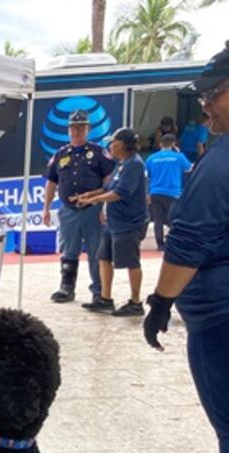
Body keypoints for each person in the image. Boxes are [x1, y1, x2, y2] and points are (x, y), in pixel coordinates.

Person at [143, 41, 229, 453]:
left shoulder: (221, 162)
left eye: (212, 95)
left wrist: (159, 301)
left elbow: (190, 241)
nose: (206, 106)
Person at [42, 109, 117, 303]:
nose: (76, 132)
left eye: (81, 128)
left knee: (97, 250)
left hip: (93, 209)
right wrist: (46, 209)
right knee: (69, 250)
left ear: (88, 129)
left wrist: (103, 206)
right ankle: (67, 287)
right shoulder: (60, 154)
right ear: (68, 130)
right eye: (73, 128)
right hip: (68, 211)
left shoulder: (99, 153)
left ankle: (99, 290)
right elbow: (51, 182)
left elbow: (109, 181)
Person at [76, 127, 148, 316]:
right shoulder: (122, 163)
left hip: (129, 223)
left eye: (113, 142)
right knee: (104, 258)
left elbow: (121, 193)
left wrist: (94, 200)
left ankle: (135, 302)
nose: (110, 145)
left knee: (131, 262)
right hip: (113, 221)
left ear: (122, 144)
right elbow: (108, 187)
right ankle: (105, 299)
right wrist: (91, 194)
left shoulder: (134, 164)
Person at [145, 133, 192, 250]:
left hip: (155, 192)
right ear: (173, 144)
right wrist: (178, 152)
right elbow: (189, 168)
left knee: (158, 219)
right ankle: (173, 242)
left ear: (160, 144)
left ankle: (160, 244)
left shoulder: (151, 158)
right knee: (174, 219)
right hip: (173, 193)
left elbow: (146, 175)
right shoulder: (178, 157)